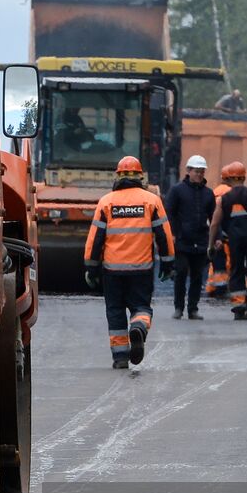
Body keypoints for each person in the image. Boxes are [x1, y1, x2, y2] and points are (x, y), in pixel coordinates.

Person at [84, 156, 176, 368]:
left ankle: (120, 357)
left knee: (115, 311)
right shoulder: (151, 201)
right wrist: (168, 264)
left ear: (118, 176)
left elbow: (95, 239)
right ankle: (138, 327)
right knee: (141, 307)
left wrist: (91, 266)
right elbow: (164, 235)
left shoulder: (106, 202)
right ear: (140, 177)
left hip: (112, 270)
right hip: (141, 269)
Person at [164, 154, 215, 320]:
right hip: (182, 240)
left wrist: (217, 237)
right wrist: (171, 234)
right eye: (196, 171)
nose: (199, 174)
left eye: (202, 171)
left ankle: (193, 309)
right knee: (181, 273)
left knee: (197, 277)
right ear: (188, 171)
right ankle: (178, 307)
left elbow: (214, 217)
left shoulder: (208, 194)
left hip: (200, 241)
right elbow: (169, 213)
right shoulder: (177, 191)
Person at [209, 161, 247, 319]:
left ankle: (239, 307)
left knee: (237, 270)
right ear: (244, 177)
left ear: (228, 178)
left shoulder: (223, 199)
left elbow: (215, 223)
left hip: (234, 240)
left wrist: (211, 245)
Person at [205, 173, 233, 299]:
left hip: (216, 233)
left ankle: (212, 287)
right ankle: (224, 288)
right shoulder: (231, 192)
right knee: (228, 262)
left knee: (215, 264)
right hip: (227, 234)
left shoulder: (214, 192)